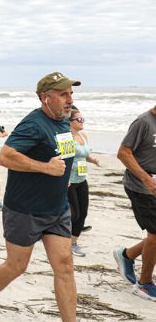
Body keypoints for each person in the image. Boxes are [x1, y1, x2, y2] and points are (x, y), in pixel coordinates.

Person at [0, 72, 108, 322]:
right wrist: (45, 168)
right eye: (64, 94)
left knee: (65, 266)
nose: (70, 99)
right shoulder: (34, 124)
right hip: (25, 210)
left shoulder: (61, 124)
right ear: (46, 97)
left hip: (57, 209)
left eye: (71, 94)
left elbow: (62, 160)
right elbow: (6, 156)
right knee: (17, 266)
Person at [113, 103, 156, 300]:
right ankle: (144, 283)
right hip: (140, 186)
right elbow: (123, 153)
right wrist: (146, 179)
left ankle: (127, 255)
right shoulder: (143, 122)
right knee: (155, 234)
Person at [67, 106, 100, 257]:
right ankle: (66, 241)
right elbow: (64, 158)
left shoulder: (83, 136)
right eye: (79, 119)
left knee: (84, 212)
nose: (82, 121)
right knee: (75, 213)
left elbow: (84, 155)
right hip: (69, 180)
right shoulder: (66, 137)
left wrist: (92, 160)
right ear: (70, 121)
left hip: (81, 178)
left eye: (83, 119)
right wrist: (65, 177)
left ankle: (73, 243)